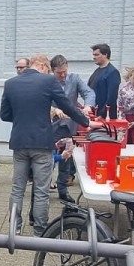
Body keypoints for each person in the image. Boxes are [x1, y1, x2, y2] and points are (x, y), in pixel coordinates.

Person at [1, 54, 92, 237]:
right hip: (42, 143)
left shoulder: (10, 83)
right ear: (43, 65)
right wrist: (85, 121)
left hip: (19, 141)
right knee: (41, 191)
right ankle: (40, 232)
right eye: (48, 69)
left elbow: (5, 115)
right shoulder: (49, 81)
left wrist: (23, 117)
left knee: (17, 189)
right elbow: (67, 106)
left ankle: (14, 229)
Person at [50, 55, 95, 202]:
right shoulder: (48, 82)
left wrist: (88, 106)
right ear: (52, 71)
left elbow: (88, 92)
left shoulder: (75, 78)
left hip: (70, 126)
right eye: (59, 73)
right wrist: (53, 110)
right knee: (48, 158)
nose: (63, 75)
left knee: (66, 158)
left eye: (65, 71)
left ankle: (63, 190)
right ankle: (43, 188)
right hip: (52, 126)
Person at [88, 43, 122, 119]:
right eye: (93, 55)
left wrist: (102, 114)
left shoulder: (112, 72)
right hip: (94, 113)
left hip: (105, 116)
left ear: (105, 55)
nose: (94, 57)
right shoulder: (96, 71)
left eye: (97, 55)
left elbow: (112, 96)